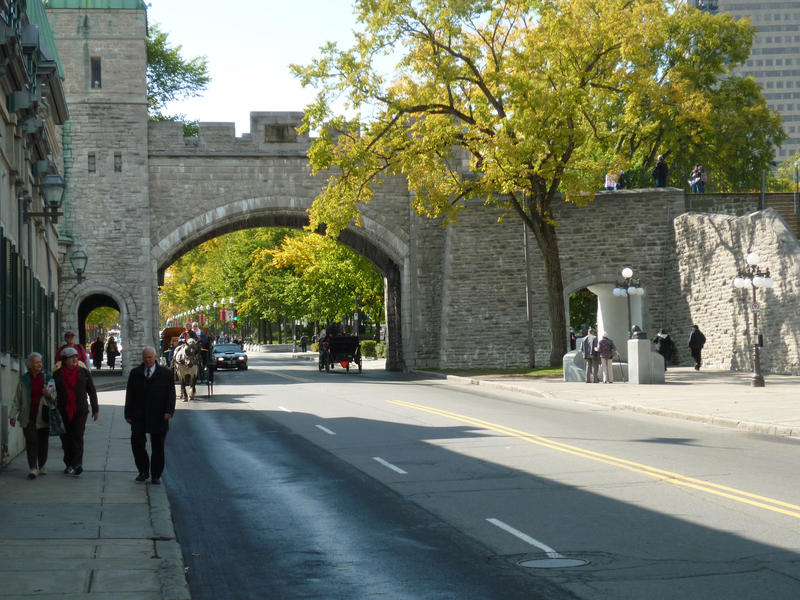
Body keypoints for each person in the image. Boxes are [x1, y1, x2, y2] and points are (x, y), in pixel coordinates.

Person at [125, 346, 176, 485]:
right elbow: (130, 394)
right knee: (137, 443)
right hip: (139, 415)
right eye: (145, 357)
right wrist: (127, 413)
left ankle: (155, 475)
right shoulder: (135, 373)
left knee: (158, 446)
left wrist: (169, 411)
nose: (147, 360)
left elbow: (171, 394)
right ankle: (143, 471)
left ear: (155, 357)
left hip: (159, 415)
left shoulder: (165, 374)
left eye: (150, 357)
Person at [53, 346, 99, 476]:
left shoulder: (83, 372)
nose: (74, 359)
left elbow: (92, 391)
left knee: (78, 436)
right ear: (64, 360)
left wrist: (95, 409)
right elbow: (52, 393)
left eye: (76, 357)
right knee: (66, 438)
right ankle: (69, 464)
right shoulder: (57, 374)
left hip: (80, 410)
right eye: (71, 357)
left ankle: (78, 464)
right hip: (63, 410)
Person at [10, 352, 56, 479]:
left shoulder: (47, 379)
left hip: (43, 416)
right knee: (31, 442)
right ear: (29, 365)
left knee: (43, 443)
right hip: (28, 416)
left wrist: (48, 394)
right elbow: (17, 400)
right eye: (36, 362)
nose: (39, 364)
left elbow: (55, 398)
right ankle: (33, 468)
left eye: (40, 362)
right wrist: (13, 415)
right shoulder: (24, 380)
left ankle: (42, 464)